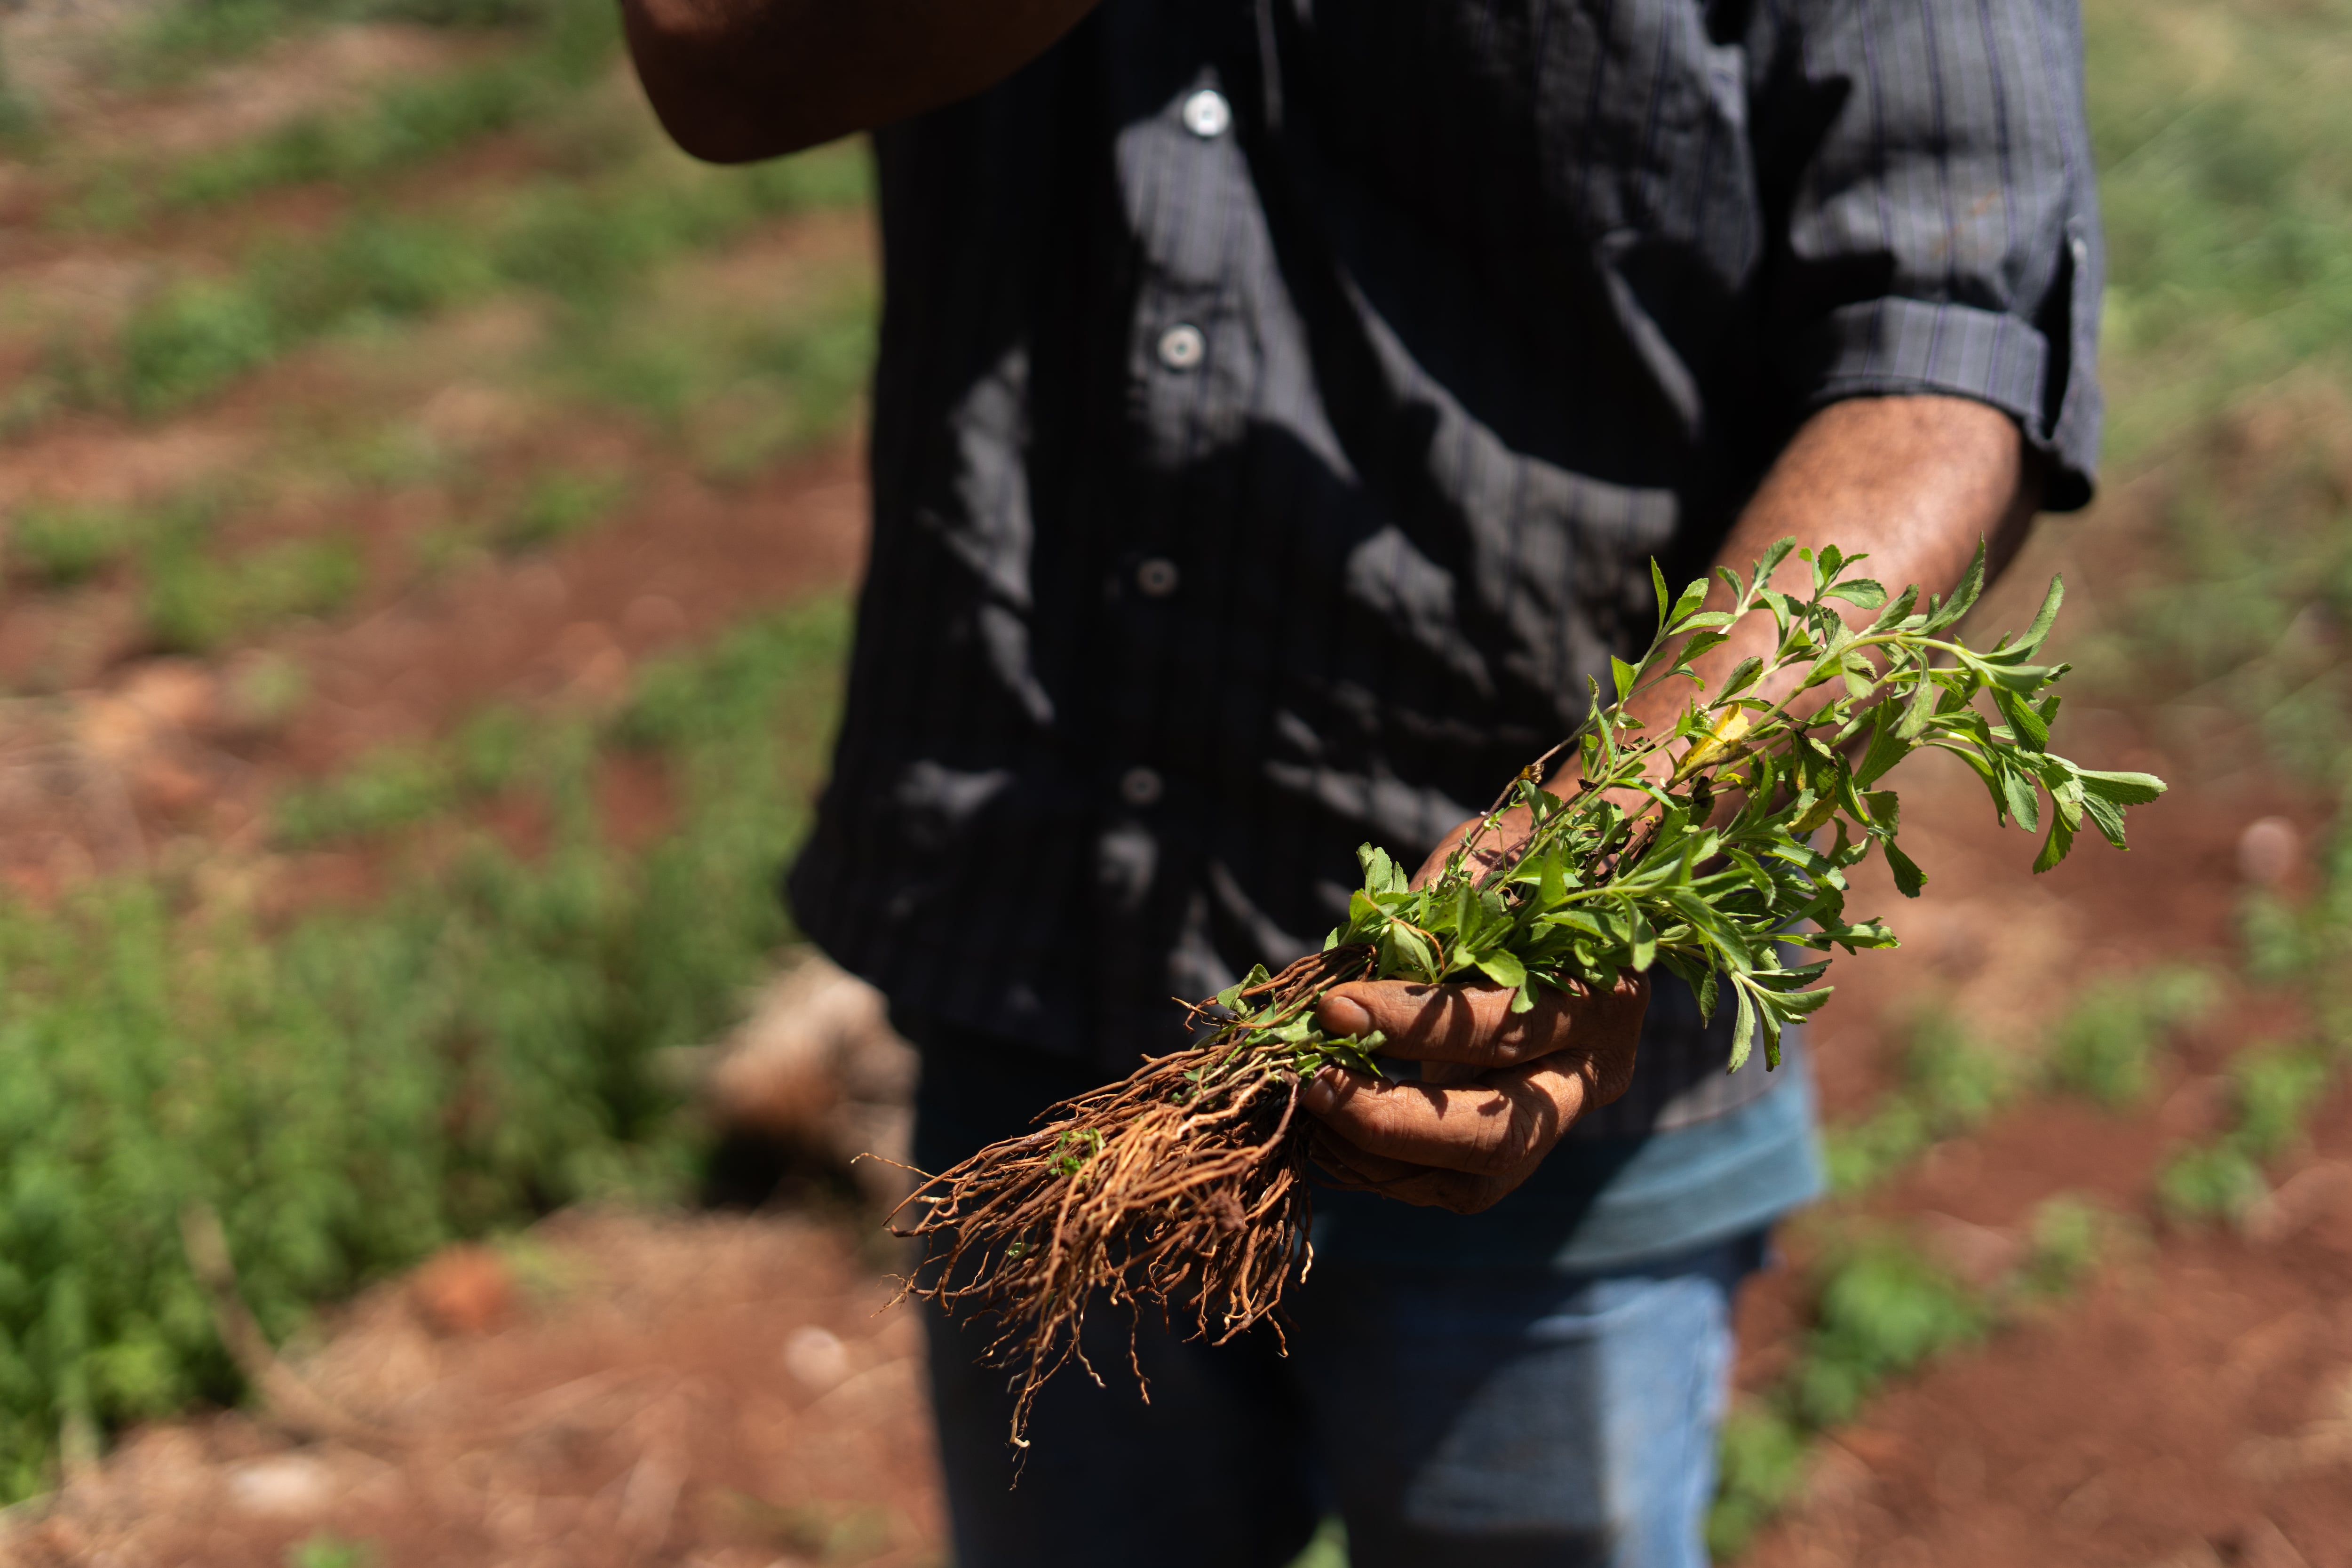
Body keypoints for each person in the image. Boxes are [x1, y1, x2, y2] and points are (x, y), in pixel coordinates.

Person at [620, 3, 2100, 1564]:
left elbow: (1943, 343)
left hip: (1539, 1086)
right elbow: (719, 58)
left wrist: (1606, 860)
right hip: (1038, 967)